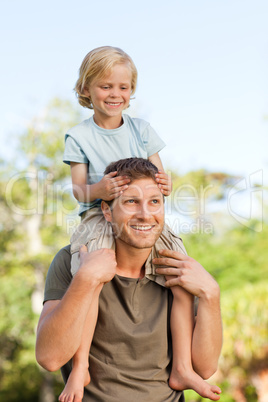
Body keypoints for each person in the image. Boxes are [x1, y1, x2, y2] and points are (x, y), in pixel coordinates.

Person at [61, 46, 220, 401]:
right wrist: (99, 189)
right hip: (99, 217)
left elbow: (161, 178)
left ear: (131, 91)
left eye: (122, 87)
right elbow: (78, 189)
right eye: (105, 87)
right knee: (93, 278)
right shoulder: (79, 136)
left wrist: (165, 183)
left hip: (142, 218)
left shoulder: (142, 129)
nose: (115, 95)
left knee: (179, 277)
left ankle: (181, 367)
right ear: (86, 89)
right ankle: (81, 366)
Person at [36, 158, 222, 402]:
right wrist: (86, 278)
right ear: (107, 211)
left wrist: (211, 293)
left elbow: (206, 368)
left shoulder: (177, 269)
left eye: (154, 202)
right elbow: (50, 358)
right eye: (131, 202)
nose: (145, 215)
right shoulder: (71, 261)